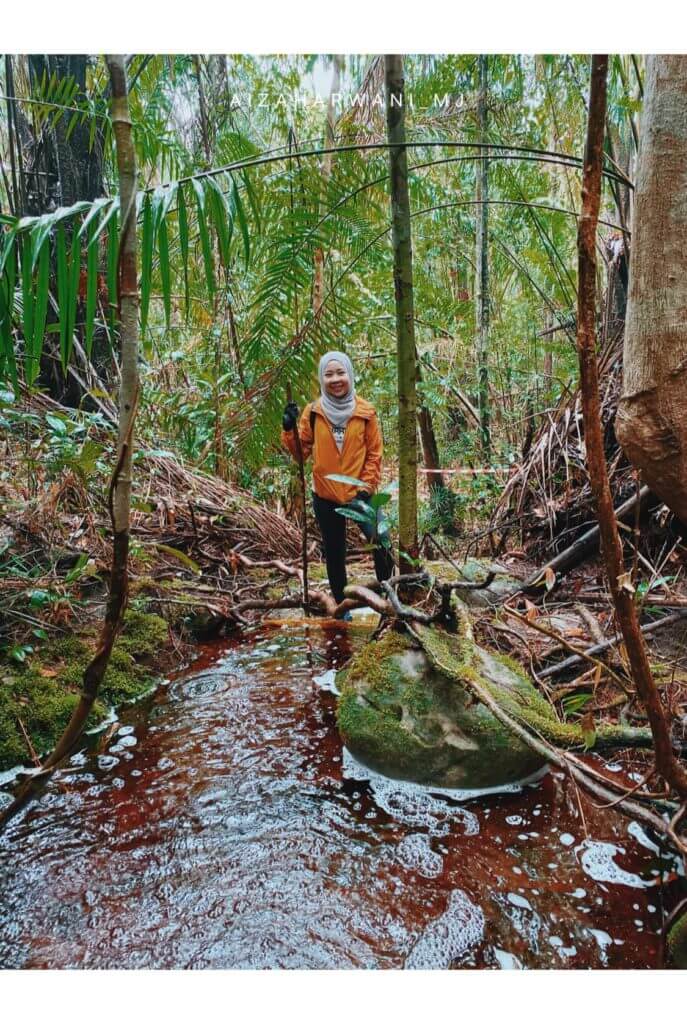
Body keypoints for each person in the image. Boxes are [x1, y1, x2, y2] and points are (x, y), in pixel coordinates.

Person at [281, 350, 394, 615]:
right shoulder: (313, 412)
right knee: (334, 552)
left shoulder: (366, 412)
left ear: (350, 374)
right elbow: (301, 453)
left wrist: (365, 489)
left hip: (360, 495)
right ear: (322, 378)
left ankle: (388, 599)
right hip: (325, 496)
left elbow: (375, 455)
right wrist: (288, 429)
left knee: (383, 542)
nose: (335, 379)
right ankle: (342, 610)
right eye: (329, 374)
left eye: (340, 373)